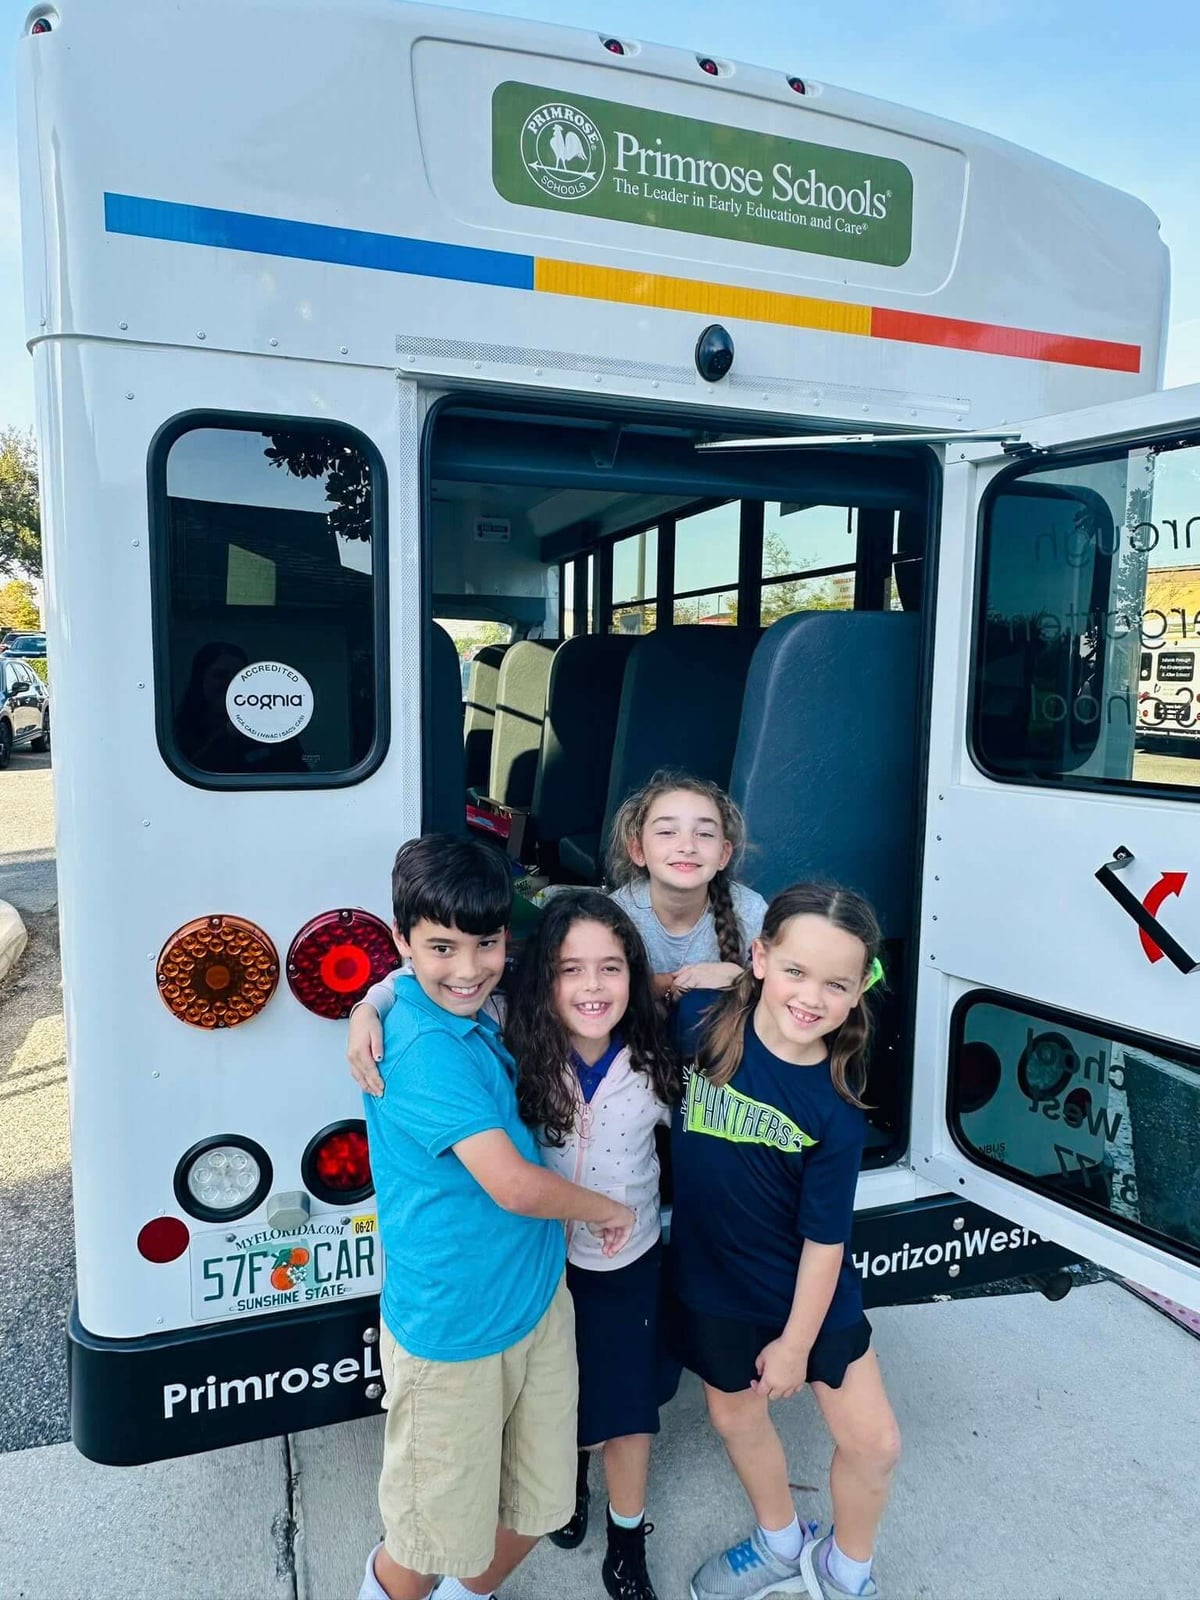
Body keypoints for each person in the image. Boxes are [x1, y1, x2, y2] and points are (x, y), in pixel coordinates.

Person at [356, 835, 636, 1600]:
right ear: (402, 940)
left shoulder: (466, 1004)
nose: (469, 968)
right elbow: (513, 1186)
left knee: (537, 1504)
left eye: (486, 944)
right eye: (441, 948)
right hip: (454, 1333)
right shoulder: (421, 1049)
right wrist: (606, 1209)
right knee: (426, 1543)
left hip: (534, 1304)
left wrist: (370, 998)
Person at [668, 884, 900, 1600]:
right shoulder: (699, 1023)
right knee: (735, 1415)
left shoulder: (837, 1104)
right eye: (796, 971)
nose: (811, 997)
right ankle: (779, 1541)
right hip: (714, 1283)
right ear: (761, 958)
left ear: (857, 992)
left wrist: (797, 1344)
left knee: (874, 1443)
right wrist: (381, 999)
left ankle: (844, 1571)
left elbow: (825, 1242)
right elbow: (595, 996)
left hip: (808, 1292)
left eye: (835, 984)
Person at [506, 890, 680, 1600]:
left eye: (611, 967)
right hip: (546, 1265)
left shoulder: (656, 1062)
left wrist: (721, 977)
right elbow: (427, 987)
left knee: (629, 1413)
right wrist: (373, 1004)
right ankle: (570, 1481)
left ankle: (626, 1543)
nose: (592, 986)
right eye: (570, 969)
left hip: (628, 1263)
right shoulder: (515, 1047)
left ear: (634, 976)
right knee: (563, 1398)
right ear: (542, 978)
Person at [606, 772, 767, 1000]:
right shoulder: (615, 915)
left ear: (723, 854)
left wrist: (738, 979)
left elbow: (782, 990)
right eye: (667, 832)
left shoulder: (751, 912)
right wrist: (665, 984)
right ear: (638, 850)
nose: (688, 846)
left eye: (704, 834)